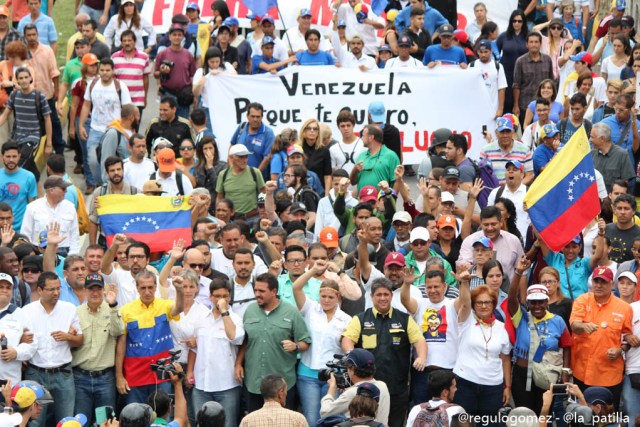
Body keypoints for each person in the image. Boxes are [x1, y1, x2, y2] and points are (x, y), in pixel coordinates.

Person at [342, 278, 427, 427]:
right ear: (372, 296)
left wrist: (421, 356)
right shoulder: (361, 319)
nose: (383, 298)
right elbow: (347, 339)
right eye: (379, 295)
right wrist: (351, 355)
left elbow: (419, 340)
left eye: (386, 294)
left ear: (391, 296)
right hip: (366, 388)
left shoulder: (404, 319)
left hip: (397, 388)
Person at [291, 263, 351, 425]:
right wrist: (313, 271)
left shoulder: (346, 319)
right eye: (323, 296)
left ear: (338, 297)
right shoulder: (310, 308)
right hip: (307, 374)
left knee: (331, 418)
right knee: (311, 418)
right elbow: (296, 287)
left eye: (331, 297)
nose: (326, 300)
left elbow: (347, 348)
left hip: (333, 375)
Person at [22, 271, 83, 427]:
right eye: (51, 289)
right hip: (36, 374)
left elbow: (80, 340)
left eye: (58, 288)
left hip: (63, 374)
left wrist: (68, 337)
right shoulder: (27, 311)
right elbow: (20, 341)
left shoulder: (69, 309)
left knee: (67, 421)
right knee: (35, 423)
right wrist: (21, 340)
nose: (56, 292)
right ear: (40, 290)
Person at [116, 269, 184, 404]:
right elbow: (121, 345)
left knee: (163, 419)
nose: (147, 292)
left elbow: (178, 309)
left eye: (150, 287)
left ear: (155, 287)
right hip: (135, 374)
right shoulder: (125, 311)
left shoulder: (164, 305)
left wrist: (180, 290)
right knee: (136, 417)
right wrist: (119, 376)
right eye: (143, 288)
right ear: (137, 288)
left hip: (162, 373)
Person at [453, 273, 511, 427]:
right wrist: (464, 283)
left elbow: (505, 359)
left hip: (493, 386)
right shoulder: (466, 319)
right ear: (473, 305)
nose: (483, 306)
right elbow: (464, 302)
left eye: (487, 302)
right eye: (479, 302)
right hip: (466, 383)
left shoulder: (501, 327)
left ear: (493, 304)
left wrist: (507, 386)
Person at [570, 266, 633, 408]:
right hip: (582, 372)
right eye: (596, 281)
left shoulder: (624, 308)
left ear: (612, 284)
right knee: (582, 417)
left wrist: (620, 350)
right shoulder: (582, 299)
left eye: (603, 282)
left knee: (607, 419)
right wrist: (584, 326)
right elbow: (574, 324)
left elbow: (627, 338)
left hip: (609, 375)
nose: (598, 285)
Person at [185, 278, 244, 427]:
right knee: (200, 423)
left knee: (228, 424)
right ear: (210, 296)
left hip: (226, 385)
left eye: (224, 296)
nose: (220, 300)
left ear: (229, 297)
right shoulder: (201, 318)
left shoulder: (235, 319)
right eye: (217, 296)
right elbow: (194, 348)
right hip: (201, 385)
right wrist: (190, 371)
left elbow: (235, 338)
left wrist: (224, 312)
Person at [72, 274, 123, 424]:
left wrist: (113, 305)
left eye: (98, 288)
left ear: (103, 290)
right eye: (91, 289)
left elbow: (118, 331)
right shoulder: (75, 312)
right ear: (85, 291)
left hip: (105, 378)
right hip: (80, 377)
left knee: (106, 422)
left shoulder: (112, 308)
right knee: (80, 422)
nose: (95, 293)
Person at [320, 349, 390, 424]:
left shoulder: (352, 392)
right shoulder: (383, 385)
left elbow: (325, 412)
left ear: (352, 369)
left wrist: (332, 388)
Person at [21, 177, 79, 256]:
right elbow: (25, 234)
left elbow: (74, 234)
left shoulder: (70, 207)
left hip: (64, 251)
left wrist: (73, 254)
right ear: (51, 190)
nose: (66, 191)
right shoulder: (32, 207)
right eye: (63, 188)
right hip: (39, 250)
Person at [0, 272, 36, 385]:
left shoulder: (21, 314)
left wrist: (16, 352)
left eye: (8, 287)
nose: (4, 290)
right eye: (0, 287)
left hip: (9, 380)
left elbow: (32, 344)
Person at [154, 24, 196, 119]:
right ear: (169, 36)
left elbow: (193, 76)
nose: (177, 37)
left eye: (179, 35)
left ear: (183, 37)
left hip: (184, 95)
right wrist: (162, 72)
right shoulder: (162, 54)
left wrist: (195, 95)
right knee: (165, 122)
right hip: (167, 93)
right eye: (174, 34)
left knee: (183, 123)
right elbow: (155, 74)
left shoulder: (188, 55)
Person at [479, 117, 534, 184]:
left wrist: (514, 187)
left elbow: (530, 175)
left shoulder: (524, 150)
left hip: (517, 192)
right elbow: (482, 175)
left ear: (513, 132)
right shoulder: (485, 151)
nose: (505, 135)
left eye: (508, 131)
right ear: (496, 133)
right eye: (502, 132)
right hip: (493, 191)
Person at [239, 374, 308, 427]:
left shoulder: (247, 421)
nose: (286, 394)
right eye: (285, 391)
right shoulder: (298, 419)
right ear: (280, 393)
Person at [350, 125, 400, 193]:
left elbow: (396, 183)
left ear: (371, 137)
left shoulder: (391, 156)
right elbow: (352, 182)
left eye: (363, 136)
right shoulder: (361, 156)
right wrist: (355, 170)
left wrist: (391, 201)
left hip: (381, 202)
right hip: (362, 202)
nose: (361, 138)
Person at [497, 9, 528, 114]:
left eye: (519, 21)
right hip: (506, 73)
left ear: (523, 22)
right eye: (514, 21)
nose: (516, 23)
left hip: (524, 73)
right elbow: (494, 49)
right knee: (507, 101)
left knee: (522, 102)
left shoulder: (528, 36)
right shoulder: (504, 36)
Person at [112, 30, 151, 115]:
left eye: (129, 40)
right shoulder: (114, 57)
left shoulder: (144, 57)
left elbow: (145, 79)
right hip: (120, 100)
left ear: (135, 42)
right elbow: (112, 79)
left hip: (138, 100)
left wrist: (145, 98)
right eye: (124, 41)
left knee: (135, 127)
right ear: (121, 43)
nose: (127, 43)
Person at [0, 142, 37, 231]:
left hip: (21, 229)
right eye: (8, 156)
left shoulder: (29, 177)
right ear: (2, 156)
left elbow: (32, 206)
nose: (11, 160)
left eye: (14, 156)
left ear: (19, 156)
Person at [590, 122, 635, 194]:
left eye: (592, 137)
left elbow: (625, 183)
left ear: (602, 138)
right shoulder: (591, 154)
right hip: (595, 200)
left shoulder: (622, 155)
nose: (590, 140)